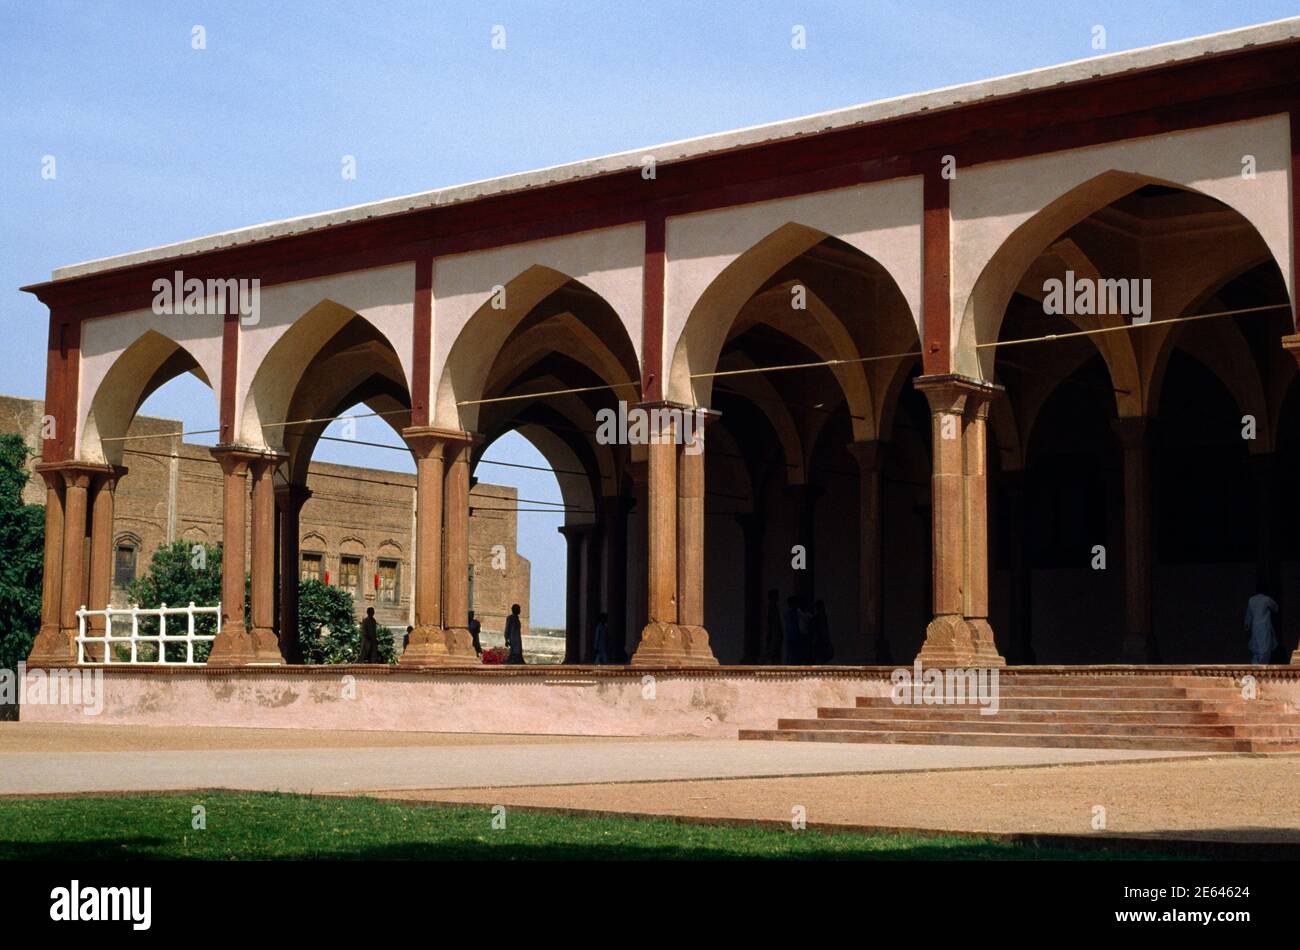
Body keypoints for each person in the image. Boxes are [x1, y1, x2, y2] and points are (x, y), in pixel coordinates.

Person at [1245, 591, 1279, 664]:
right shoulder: (1266, 599)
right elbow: (1276, 608)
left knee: (1257, 648)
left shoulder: (1251, 600)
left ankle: (1256, 667)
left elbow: (1248, 615)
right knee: (1264, 648)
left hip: (1255, 627)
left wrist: (1247, 624)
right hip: (1264, 627)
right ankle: (1261, 668)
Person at [810, 600, 834, 664]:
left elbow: (825, 630)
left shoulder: (823, 618)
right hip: (819, 642)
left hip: (822, 641)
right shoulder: (817, 619)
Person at [764, 590, 783, 663]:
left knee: (775, 654)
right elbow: (773, 623)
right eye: (776, 595)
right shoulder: (771, 607)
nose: (778, 597)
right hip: (774, 635)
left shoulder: (774, 607)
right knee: (772, 653)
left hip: (775, 634)